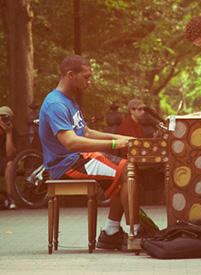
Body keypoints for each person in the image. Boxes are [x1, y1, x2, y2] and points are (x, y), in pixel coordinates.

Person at [39, 54, 144, 251]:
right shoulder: (56, 104)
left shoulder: (69, 100)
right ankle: (135, 234)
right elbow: (71, 143)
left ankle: (111, 233)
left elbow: (85, 132)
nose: (89, 81)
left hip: (77, 160)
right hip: (67, 164)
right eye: (86, 77)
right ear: (71, 75)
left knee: (124, 170)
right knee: (127, 170)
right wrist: (114, 145)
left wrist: (117, 139)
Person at [0, 106, 18, 209]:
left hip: (6, 162)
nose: (3, 120)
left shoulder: (13, 132)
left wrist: (8, 133)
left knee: (10, 164)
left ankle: (11, 198)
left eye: (6, 118)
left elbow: (10, 154)